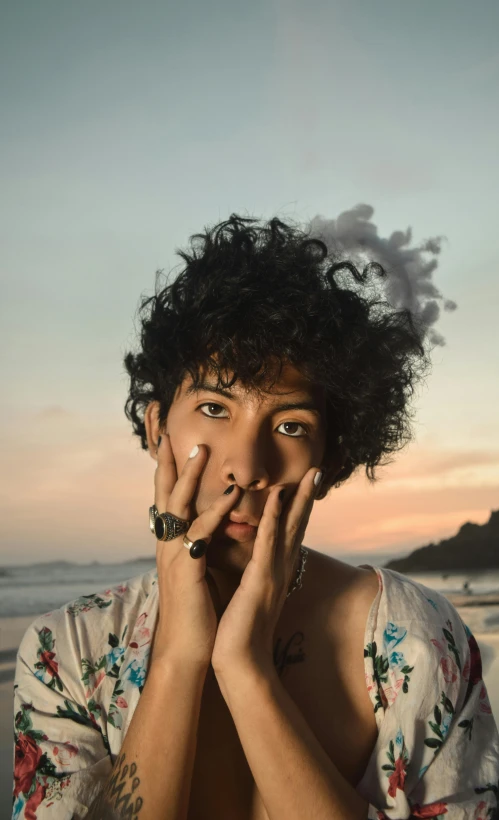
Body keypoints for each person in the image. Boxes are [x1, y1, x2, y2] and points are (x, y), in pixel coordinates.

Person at [12, 214, 499, 819]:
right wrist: (176, 660)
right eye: (215, 407)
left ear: (333, 458)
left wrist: (247, 671)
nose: (246, 467)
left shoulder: (420, 641)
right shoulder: (68, 653)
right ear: (157, 426)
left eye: (291, 426)